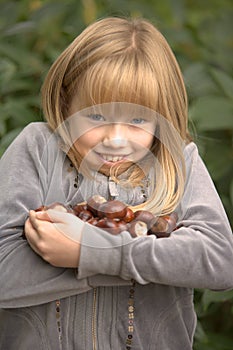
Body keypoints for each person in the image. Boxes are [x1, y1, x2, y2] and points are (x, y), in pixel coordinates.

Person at [0, 16, 232, 350]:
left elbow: (219, 261)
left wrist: (89, 253)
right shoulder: (37, 148)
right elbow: (5, 270)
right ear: (66, 104)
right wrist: (151, 261)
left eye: (138, 120)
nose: (116, 139)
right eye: (96, 116)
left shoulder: (178, 161)